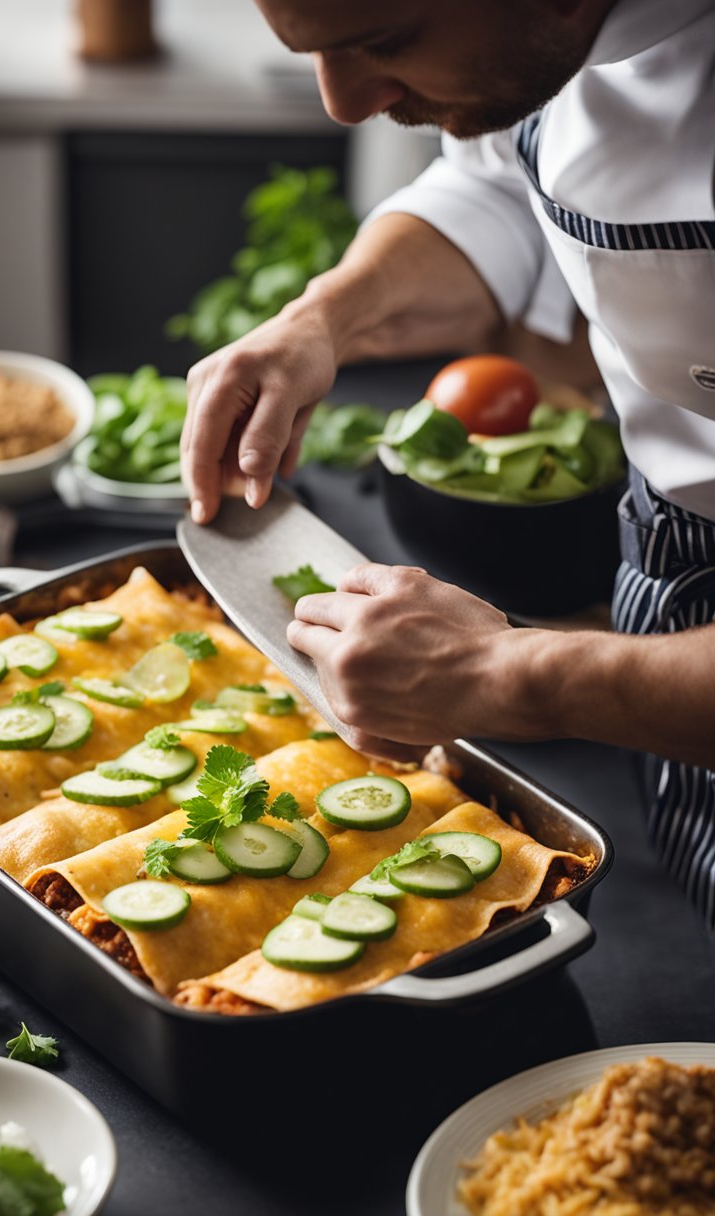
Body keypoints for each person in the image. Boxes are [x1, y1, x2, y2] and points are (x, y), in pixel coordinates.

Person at [181, 0, 715, 924]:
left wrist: (514, 674)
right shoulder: (534, 46)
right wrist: (327, 315)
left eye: (384, 42)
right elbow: (501, 185)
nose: (342, 103)